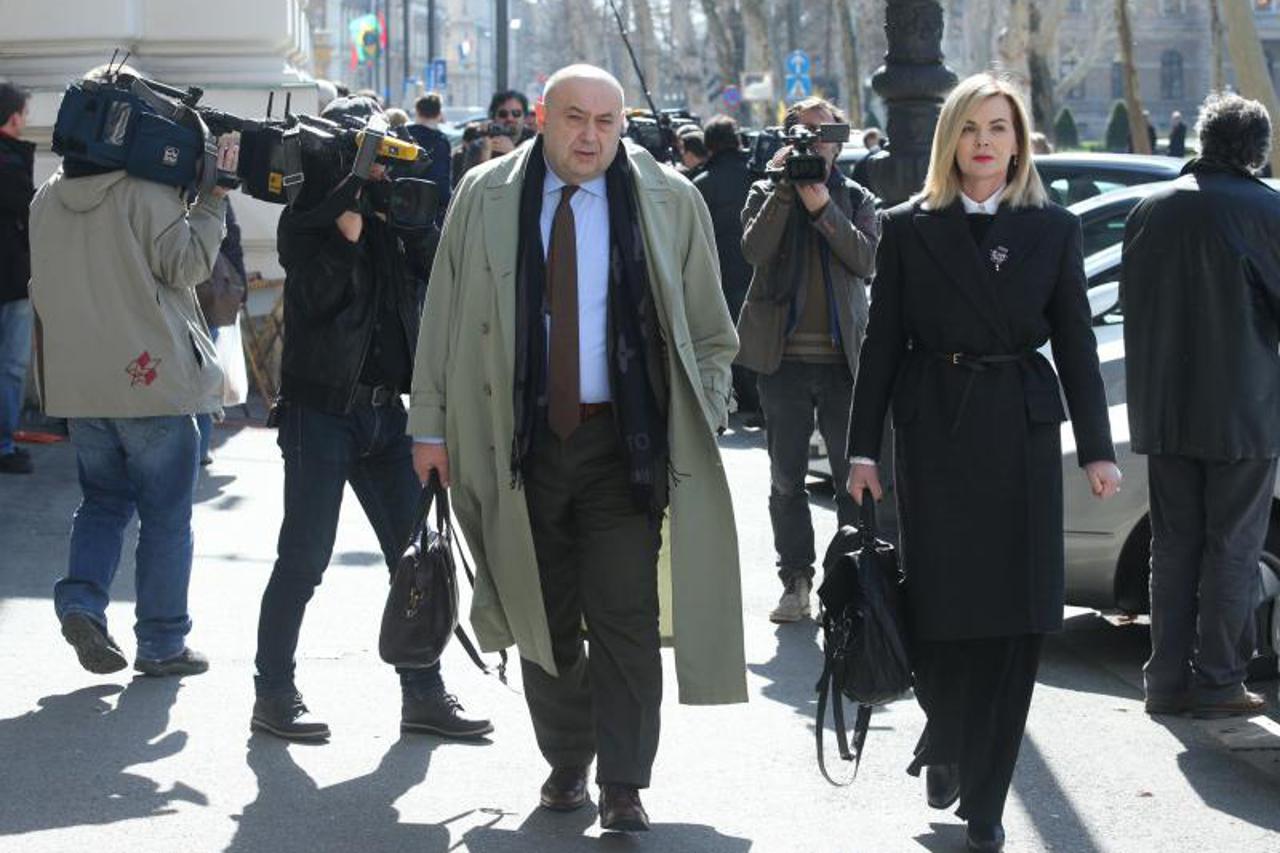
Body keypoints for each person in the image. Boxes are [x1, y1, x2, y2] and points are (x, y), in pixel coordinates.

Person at [410, 64, 746, 831]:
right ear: (542, 117)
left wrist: (705, 410)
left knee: (624, 610)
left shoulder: (669, 199)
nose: (590, 136)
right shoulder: (484, 194)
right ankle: (567, 758)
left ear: (622, 125)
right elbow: (442, 315)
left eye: (605, 121)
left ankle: (623, 780)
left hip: (624, 443)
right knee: (544, 611)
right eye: (574, 118)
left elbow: (710, 329)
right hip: (517, 438)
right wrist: (429, 427)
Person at [846, 73, 1121, 853]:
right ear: (950, 141)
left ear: (1019, 141)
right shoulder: (907, 227)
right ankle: (947, 732)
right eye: (970, 128)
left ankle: (988, 794)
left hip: (1019, 431)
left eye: (999, 127)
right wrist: (861, 448)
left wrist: (1098, 449)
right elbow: (882, 343)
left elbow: (1076, 343)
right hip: (934, 428)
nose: (985, 142)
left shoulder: (1054, 227)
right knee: (939, 610)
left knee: (1017, 617)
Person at [250, 96, 490, 743]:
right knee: (304, 559)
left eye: (388, 157)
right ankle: (273, 693)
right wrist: (344, 234)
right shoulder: (306, 219)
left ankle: (424, 695)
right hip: (320, 413)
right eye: (373, 158)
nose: (384, 170)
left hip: (387, 416)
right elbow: (317, 301)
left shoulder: (394, 216)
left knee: (415, 560)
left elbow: (440, 278)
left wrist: (410, 225)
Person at [28, 64, 239, 677]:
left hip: (81, 387)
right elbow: (189, 266)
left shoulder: (46, 200)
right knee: (166, 518)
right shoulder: (145, 193)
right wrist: (213, 200)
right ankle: (162, 642)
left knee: (101, 503)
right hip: (152, 383)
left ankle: (82, 602)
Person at [1122, 93, 1280, 720]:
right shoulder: (1267, 210)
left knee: (1173, 545)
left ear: (1204, 140)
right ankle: (1218, 681)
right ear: (1258, 150)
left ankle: (1164, 680)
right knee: (1232, 547)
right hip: (1244, 411)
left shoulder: (1149, 209)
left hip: (1165, 409)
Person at [737, 96, 880, 623]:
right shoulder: (765, 192)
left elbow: (865, 260)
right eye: (802, 133)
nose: (814, 142)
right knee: (786, 480)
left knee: (850, 481)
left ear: (839, 142)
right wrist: (783, 190)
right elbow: (754, 251)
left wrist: (822, 207)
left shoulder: (856, 196)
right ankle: (795, 581)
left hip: (845, 362)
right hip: (783, 361)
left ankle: (846, 585)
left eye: (824, 133)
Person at [693, 115, 757, 417]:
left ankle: (742, 396)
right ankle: (758, 398)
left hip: (721, 272)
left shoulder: (702, 184)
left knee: (729, 334)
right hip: (761, 267)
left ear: (709, 145)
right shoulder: (757, 176)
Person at [195, 201, 248, 466]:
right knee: (205, 375)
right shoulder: (216, 192)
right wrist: (241, 287)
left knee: (195, 374)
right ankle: (200, 448)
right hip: (209, 295)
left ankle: (195, 447)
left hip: (194, 293)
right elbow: (232, 241)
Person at [0, 81, 35, 475]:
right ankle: (3, 446)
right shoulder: (9, 161)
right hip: (11, 280)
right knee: (10, 366)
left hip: (11, 277)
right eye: (25, 114)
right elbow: (28, 209)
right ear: (13, 118)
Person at [406, 93, 453, 225]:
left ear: (417, 111)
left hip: (402, 203)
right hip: (430, 211)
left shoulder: (403, 135)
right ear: (439, 114)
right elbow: (441, 180)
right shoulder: (440, 141)